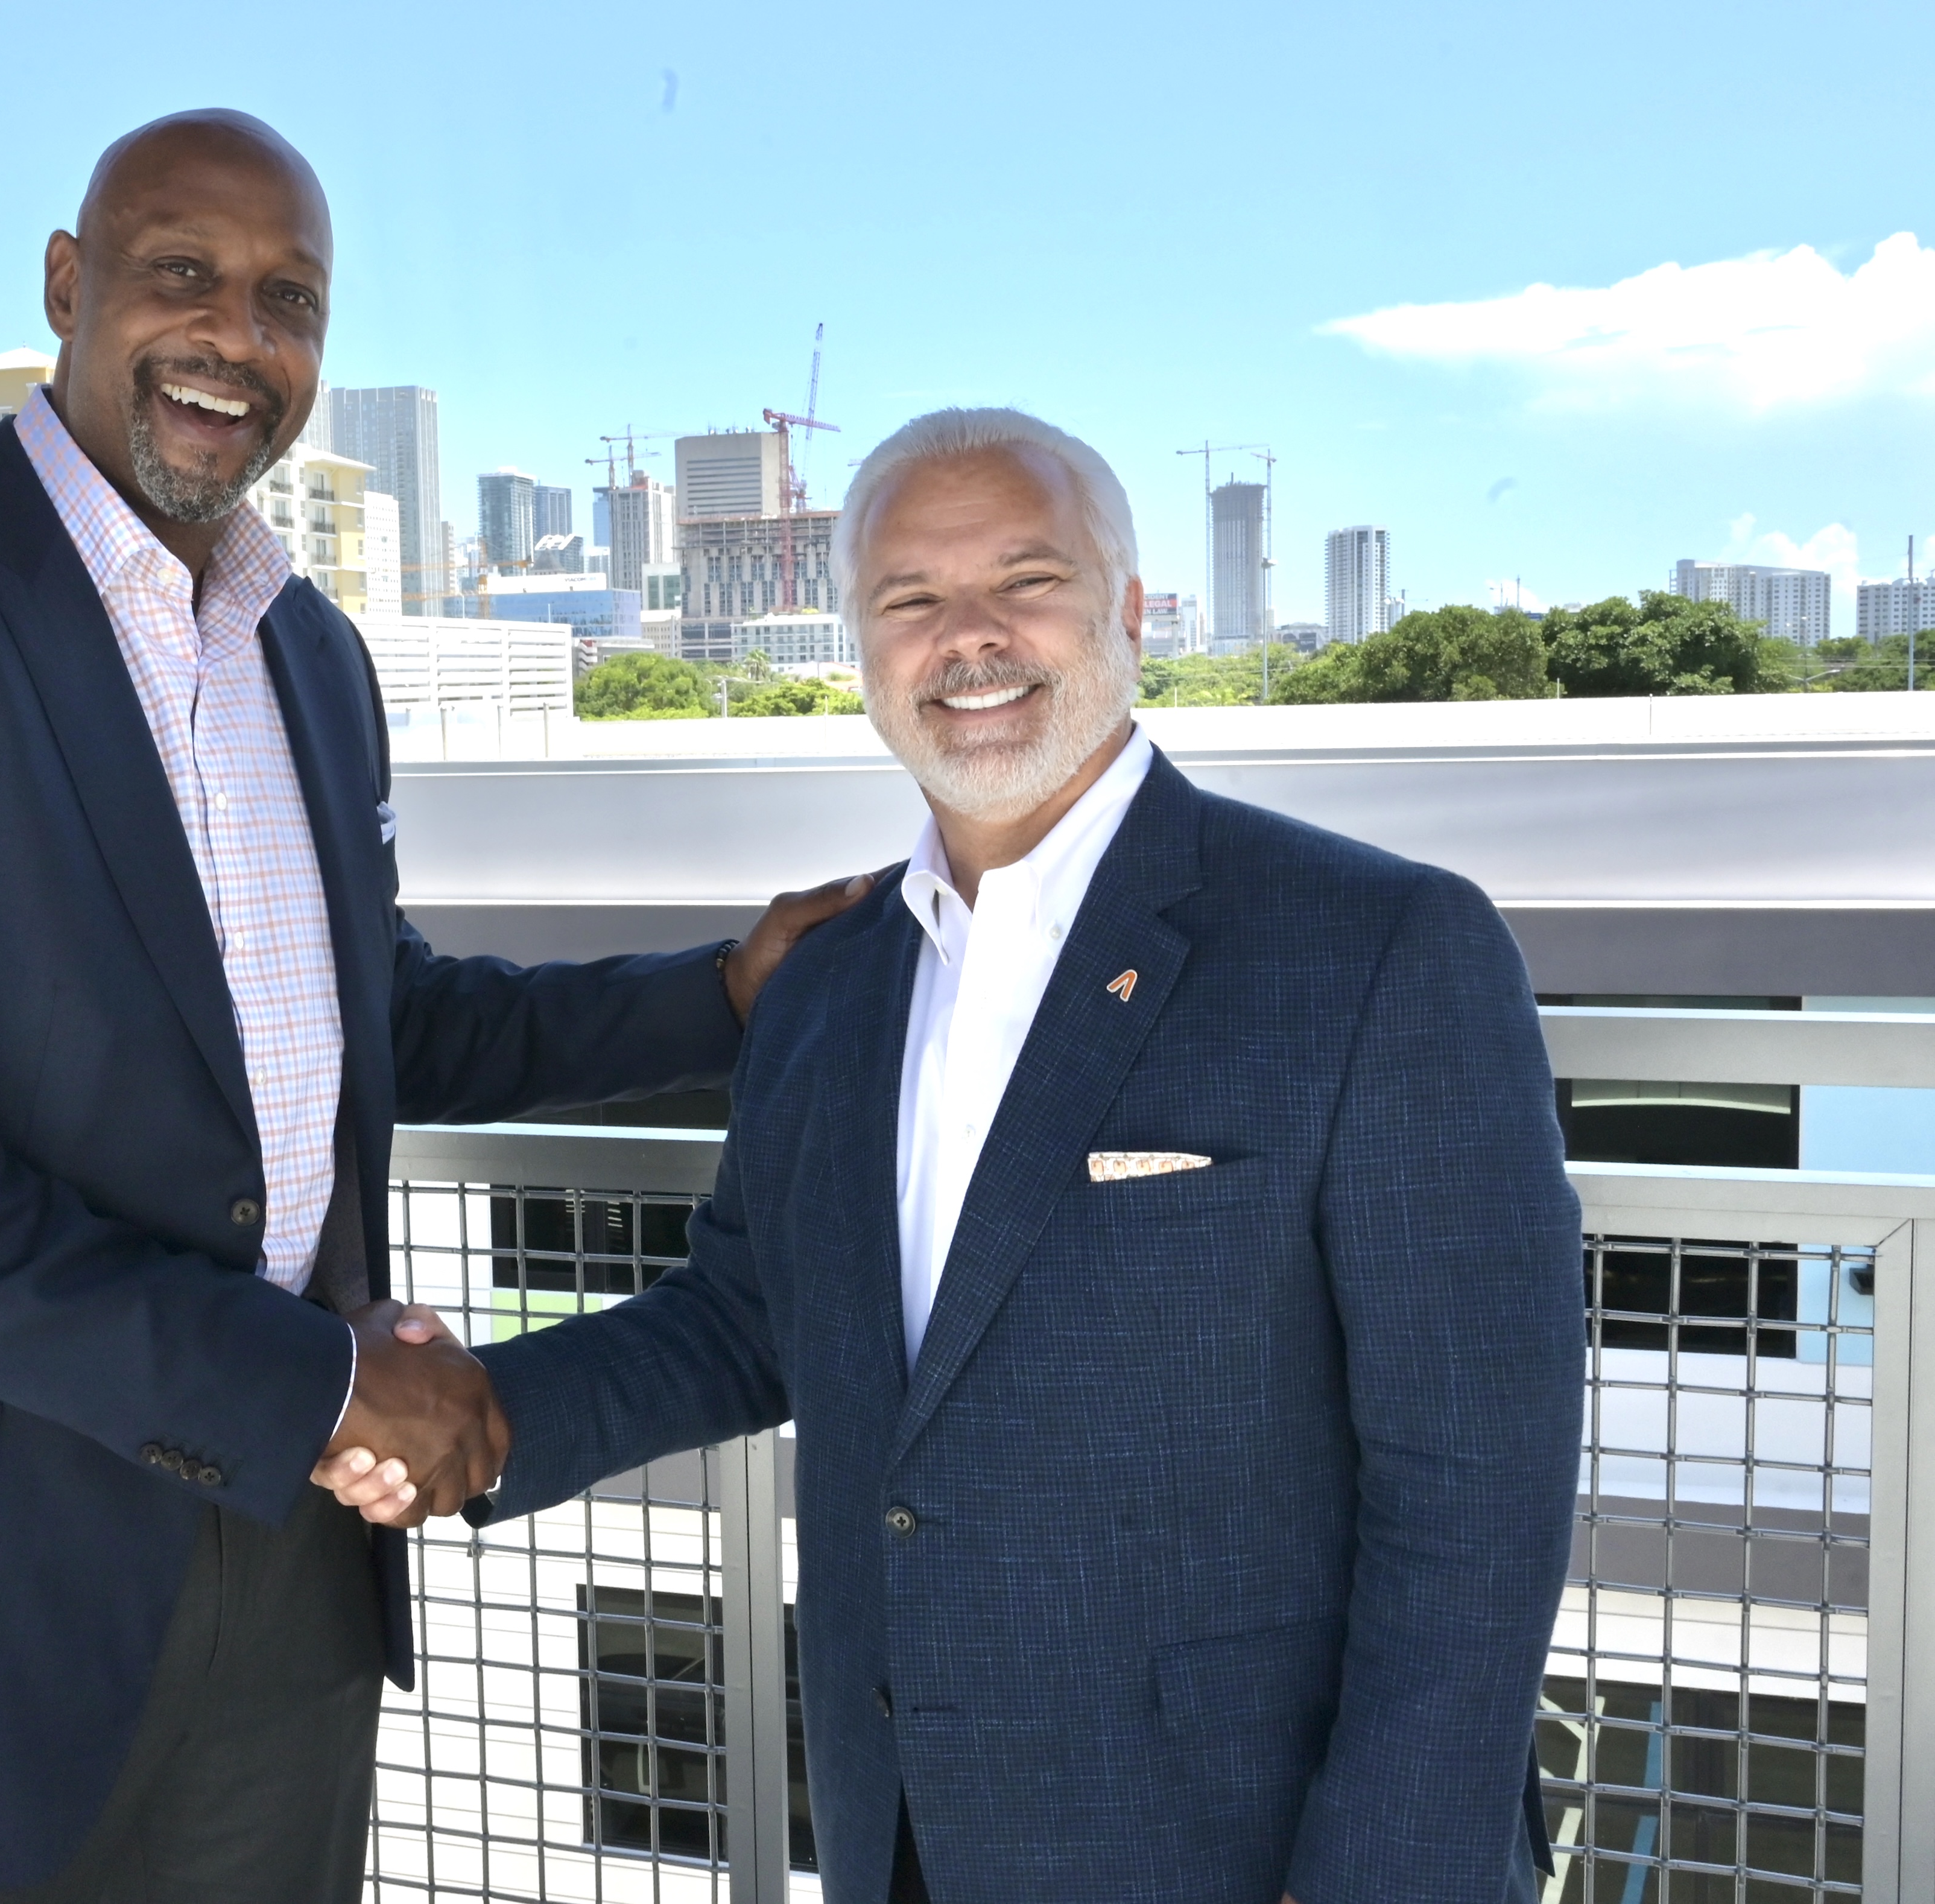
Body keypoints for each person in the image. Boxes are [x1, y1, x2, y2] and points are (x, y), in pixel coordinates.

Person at [0, 109, 856, 1904]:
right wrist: (303, 1381)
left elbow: (377, 1021)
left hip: (285, 1553)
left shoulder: (308, 652)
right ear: (69, 287)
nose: (237, 337)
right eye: (182, 277)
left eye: (288, 299)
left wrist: (719, 993)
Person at [322, 408, 1583, 1904]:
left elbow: (1476, 1492)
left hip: (1241, 1849)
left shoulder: (1376, 947)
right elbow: (747, 1319)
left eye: (1024, 582)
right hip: (904, 1829)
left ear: (1127, 611)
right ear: (858, 649)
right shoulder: (832, 979)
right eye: (910, 601)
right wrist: (477, 1415)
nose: (968, 639)